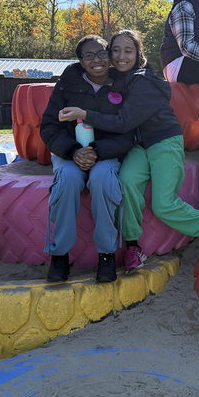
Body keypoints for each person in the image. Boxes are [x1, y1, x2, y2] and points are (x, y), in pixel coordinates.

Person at [61, 29, 199, 271]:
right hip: (139, 145)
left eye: (128, 51)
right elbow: (87, 70)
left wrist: (85, 114)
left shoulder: (144, 81)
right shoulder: (115, 78)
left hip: (164, 141)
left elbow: (124, 121)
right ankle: (132, 247)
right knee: (126, 184)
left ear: (138, 54)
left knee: (163, 204)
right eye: (115, 50)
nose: (121, 56)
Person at [40, 34, 134, 283]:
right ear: (80, 60)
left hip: (105, 153)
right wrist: (72, 151)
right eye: (88, 56)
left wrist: (97, 151)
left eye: (102, 53)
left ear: (110, 55)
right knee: (68, 181)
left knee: (103, 179)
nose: (97, 60)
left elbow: (128, 130)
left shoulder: (123, 85)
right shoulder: (67, 84)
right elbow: (49, 127)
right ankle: (59, 255)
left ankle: (106, 253)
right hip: (70, 153)